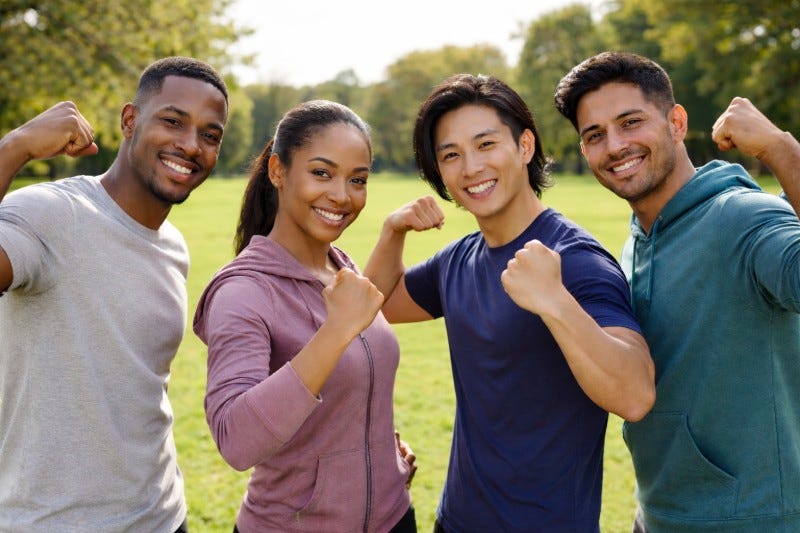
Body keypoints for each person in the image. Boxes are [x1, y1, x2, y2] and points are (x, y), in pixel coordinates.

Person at [363, 73, 655, 532]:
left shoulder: (575, 259)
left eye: (485, 145)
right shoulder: (459, 259)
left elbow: (636, 395)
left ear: (524, 147)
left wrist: (555, 302)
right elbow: (375, 306)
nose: (471, 168)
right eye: (451, 155)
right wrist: (391, 232)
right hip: (456, 521)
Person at [554, 50, 800, 532]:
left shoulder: (743, 217)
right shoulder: (636, 242)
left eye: (630, 122)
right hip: (661, 517)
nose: (616, 145)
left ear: (677, 121)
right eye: (595, 135)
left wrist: (782, 149)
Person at [0, 57, 228, 532]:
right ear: (130, 121)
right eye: (172, 121)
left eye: (210, 134)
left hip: (163, 519)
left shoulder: (174, 247)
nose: (191, 145)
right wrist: (15, 147)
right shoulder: (49, 214)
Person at [193, 99, 433, 533]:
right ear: (278, 171)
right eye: (321, 173)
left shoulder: (340, 268)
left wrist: (377, 454)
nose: (341, 196)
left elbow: (359, 356)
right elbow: (236, 440)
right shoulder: (242, 292)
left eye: (356, 179)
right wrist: (334, 331)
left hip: (394, 517)